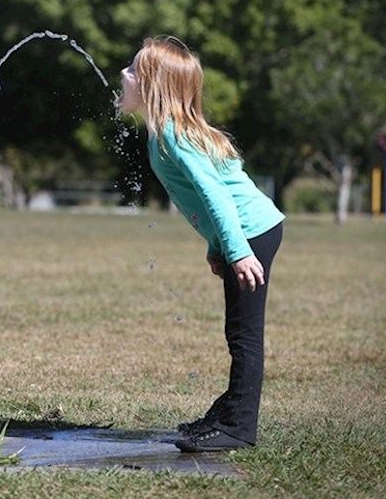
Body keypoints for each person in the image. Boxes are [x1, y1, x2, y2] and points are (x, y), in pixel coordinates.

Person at [115, 37, 284, 452]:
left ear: (153, 86)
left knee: (244, 334)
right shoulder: (164, 133)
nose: (124, 75)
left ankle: (239, 429)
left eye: (134, 71)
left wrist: (238, 250)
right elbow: (210, 196)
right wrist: (217, 246)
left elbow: (216, 195)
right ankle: (226, 414)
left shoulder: (173, 134)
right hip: (242, 234)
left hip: (250, 234)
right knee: (237, 331)